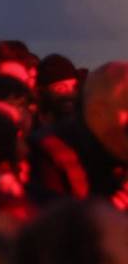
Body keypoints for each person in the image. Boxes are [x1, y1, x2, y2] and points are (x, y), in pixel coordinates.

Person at [30, 61, 128, 203]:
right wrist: (121, 200)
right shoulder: (49, 154)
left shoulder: (115, 147)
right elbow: (55, 221)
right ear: (98, 113)